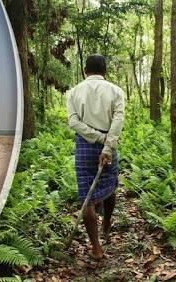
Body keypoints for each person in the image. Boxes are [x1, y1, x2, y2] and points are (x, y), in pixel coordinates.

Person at [66, 54, 125, 260]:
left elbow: (73, 122)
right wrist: (107, 144)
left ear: (84, 70)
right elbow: (118, 120)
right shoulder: (116, 91)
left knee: (86, 196)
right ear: (105, 71)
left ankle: (96, 248)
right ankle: (107, 223)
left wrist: (96, 138)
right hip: (108, 146)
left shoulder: (73, 92)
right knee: (110, 186)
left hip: (84, 146)